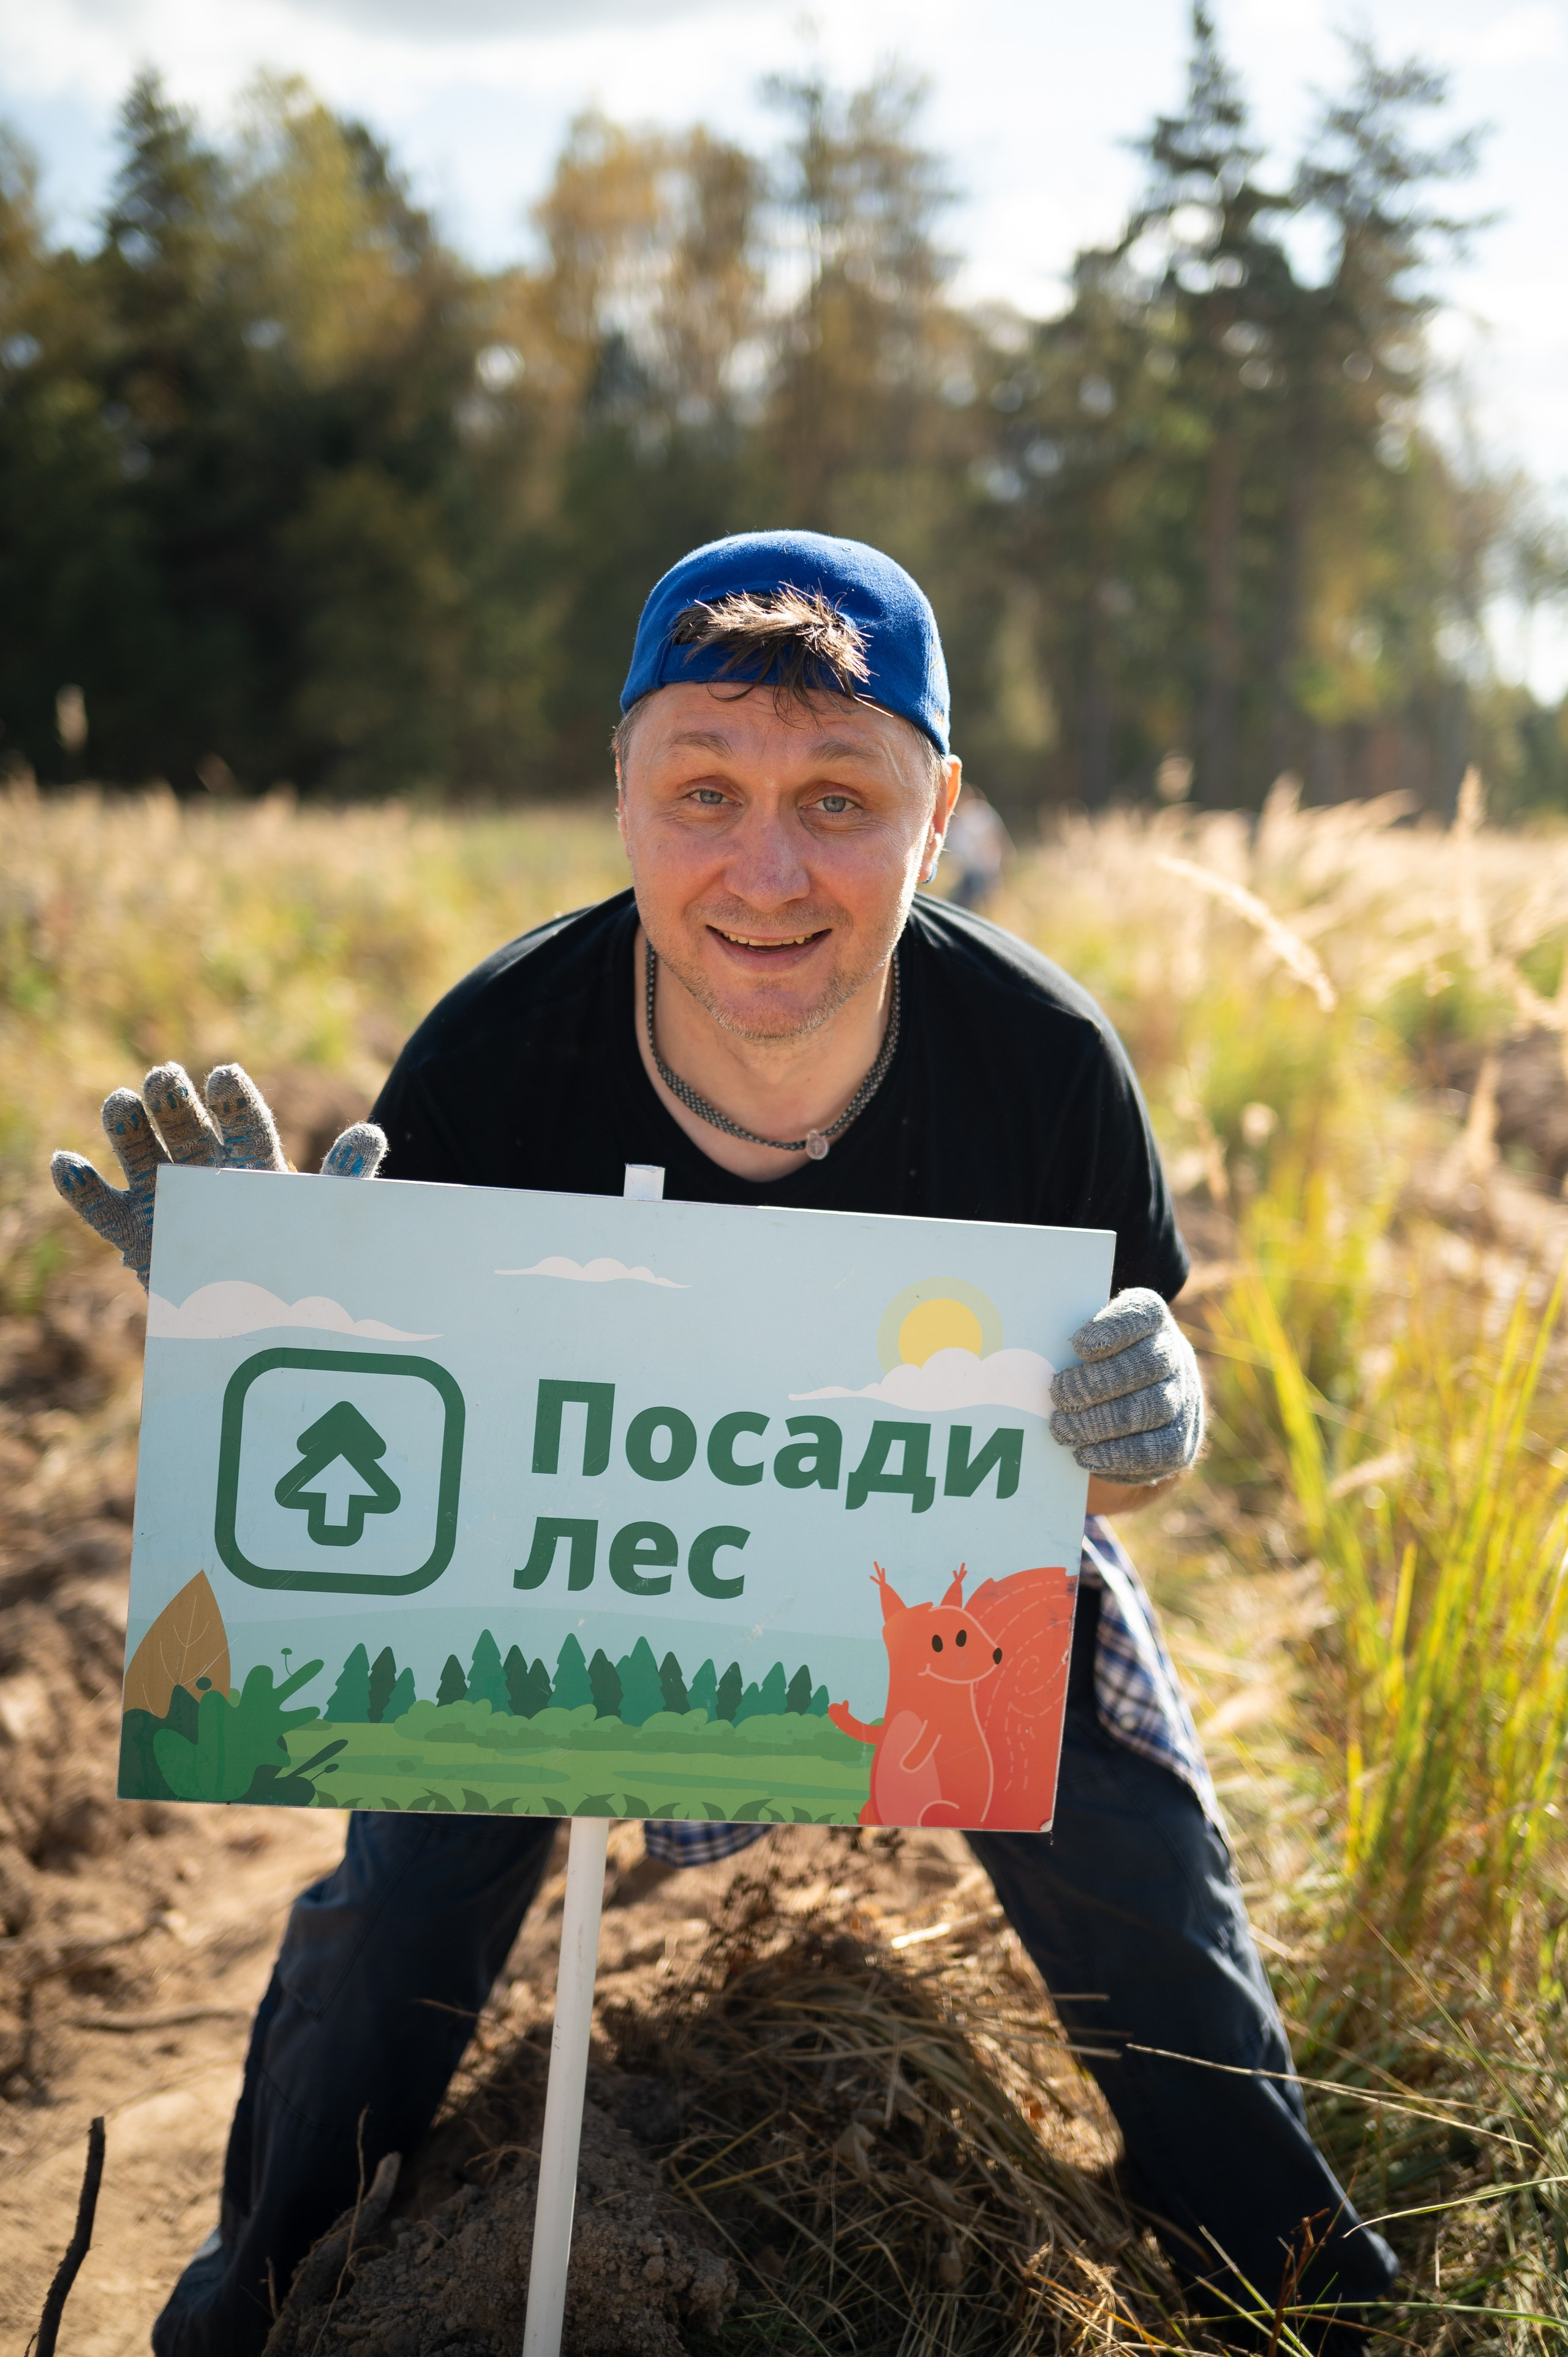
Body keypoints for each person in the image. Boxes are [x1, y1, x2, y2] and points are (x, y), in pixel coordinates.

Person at [53, 532, 1396, 2353]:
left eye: (840, 798)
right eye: (706, 790)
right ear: (622, 795)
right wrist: (252, 1299)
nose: (769, 870)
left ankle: (1285, 2271)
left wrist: (1152, 1422)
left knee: (1134, 1859)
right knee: (399, 1907)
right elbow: (391, 1431)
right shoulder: (496, 1058)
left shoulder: (1046, 1068)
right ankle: (264, 2280)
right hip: (570, 1560)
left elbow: (1119, 1461)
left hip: (924, 1574)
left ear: (939, 821)